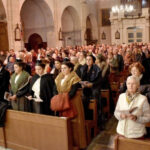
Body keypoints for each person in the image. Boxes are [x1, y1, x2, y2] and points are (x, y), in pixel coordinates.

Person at [55, 61, 87, 149]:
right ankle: (66, 142)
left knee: (74, 122)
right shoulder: (59, 77)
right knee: (64, 121)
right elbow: (56, 88)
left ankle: (78, 143)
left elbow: (72, 92)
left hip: (73, 101)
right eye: (61, 68)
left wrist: (63, 99)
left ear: (70, 68)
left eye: (65, 68)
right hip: (63, 100)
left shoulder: (74, 77)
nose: (63, 70)